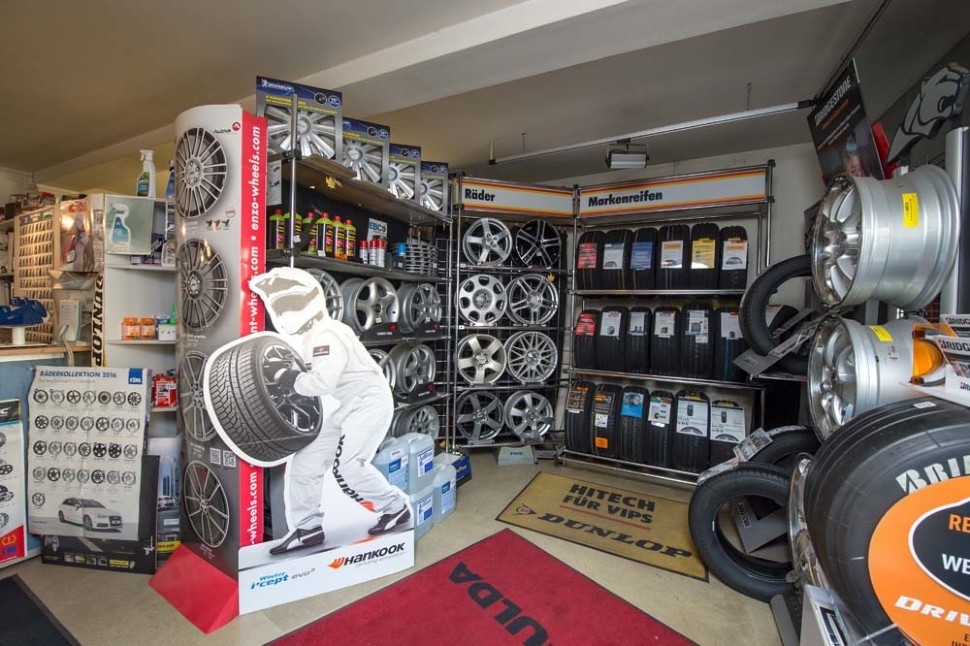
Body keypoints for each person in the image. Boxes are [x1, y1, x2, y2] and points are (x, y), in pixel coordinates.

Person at [248, 267, 411, 555]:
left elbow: (322, 383)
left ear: (309, 301)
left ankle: (395, 508)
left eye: (290, 304)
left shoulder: (326, 334)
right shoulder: (311, 335)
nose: (283, 313)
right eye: (279, 306)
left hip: (368, 402)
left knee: (348, 466)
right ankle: (307, 528)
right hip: (346, 405)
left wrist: (289, 379)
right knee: (305, 464)